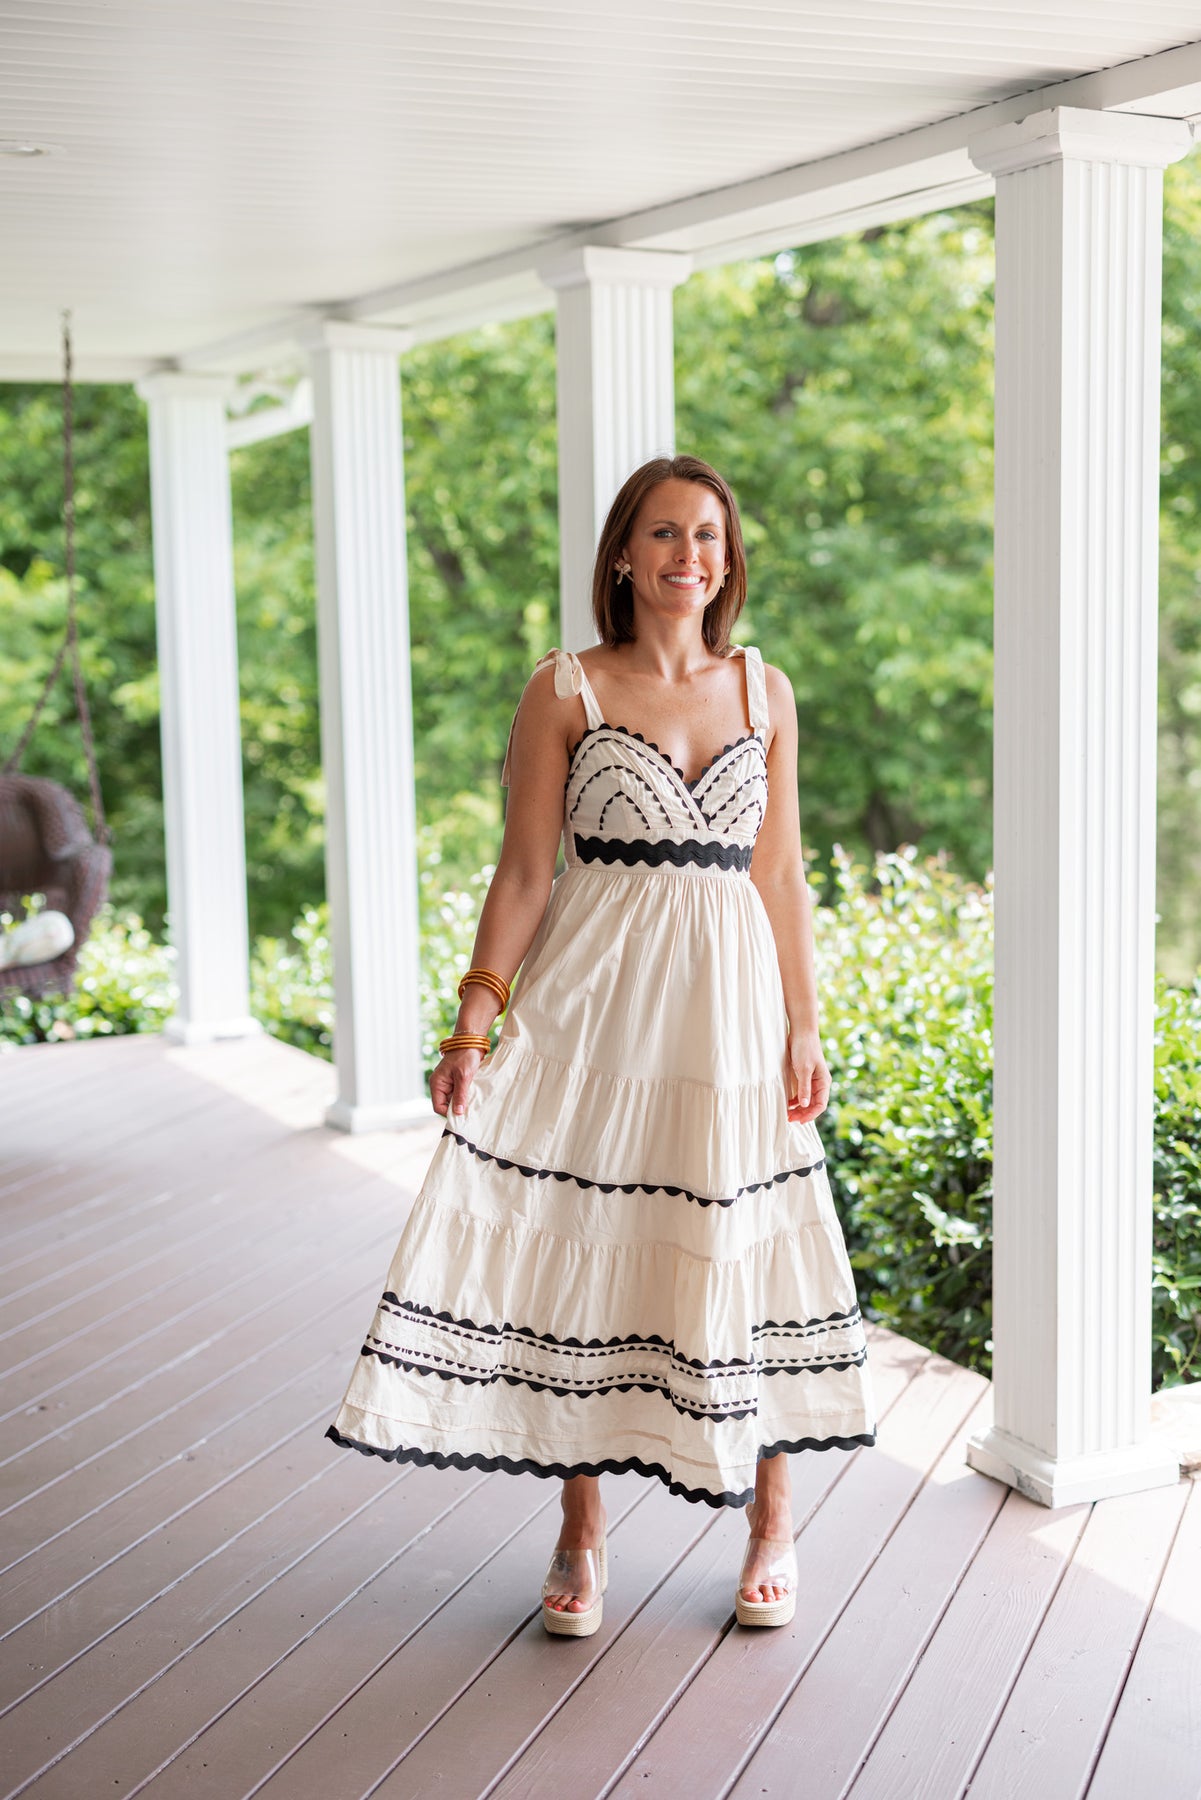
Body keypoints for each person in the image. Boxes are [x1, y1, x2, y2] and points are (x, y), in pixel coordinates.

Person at [325, 453, 877, 1636]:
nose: (690, 556)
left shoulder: (764, 690)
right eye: (666, 533)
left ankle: (772, 1523)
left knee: (745, 1239)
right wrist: (474, 1021)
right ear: (623, 554)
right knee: (586, 1243)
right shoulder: (564, 688)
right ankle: (580, 1530)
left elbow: (780, 873)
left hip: (728, 1015)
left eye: (709, 536)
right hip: (589, 1011)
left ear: (728, 560)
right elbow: (526, 871)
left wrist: (803, 1023)